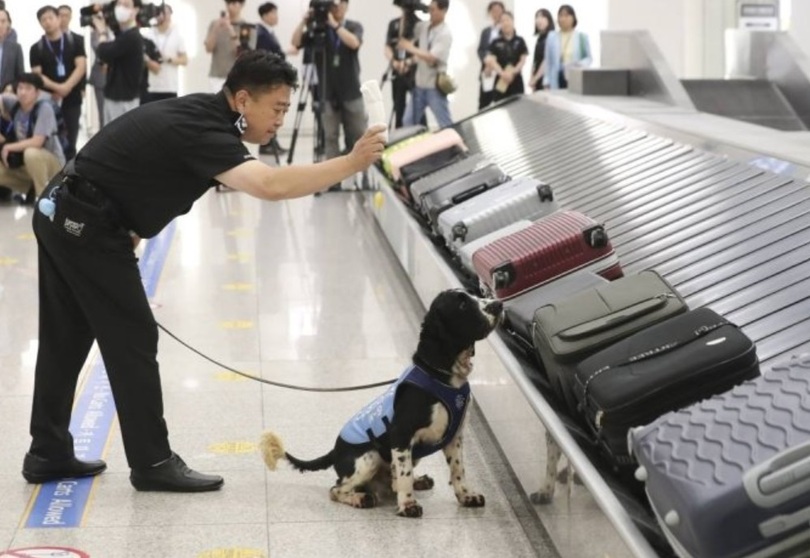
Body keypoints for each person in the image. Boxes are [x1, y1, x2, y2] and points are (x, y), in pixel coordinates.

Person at [23, 50, 386, 492]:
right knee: (132, 336)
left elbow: (142, 166)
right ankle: (152, 462)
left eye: (286, 110)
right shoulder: (207, 130)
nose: (280, 121)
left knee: (66, 336)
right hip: (84, 223)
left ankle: (48, 453)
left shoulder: (205, 115)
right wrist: (351, 162)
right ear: (243, 99)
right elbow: (270, 185)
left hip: (66, 210)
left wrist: (128, 222)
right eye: (276, 109)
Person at [291, 0, 366, 191]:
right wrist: (304, 21)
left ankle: (362, 177)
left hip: (351, 91)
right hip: (326, 92)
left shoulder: (353, 26)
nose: (336, 8)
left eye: (339, 4)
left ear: (346, 6)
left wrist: (335, 25)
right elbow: (296, 42)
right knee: (330, 137)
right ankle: (333, 182)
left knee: (358, 135)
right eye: (333, 5)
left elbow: (354, 43)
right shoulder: (318, 30)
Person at [31, 5, 88, 161]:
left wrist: (67, 87)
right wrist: (58, 88)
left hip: (72, 98)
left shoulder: (75, 41)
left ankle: (71, 172)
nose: (47, 22)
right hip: (49, 101)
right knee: (50, 140)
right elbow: (38, 75)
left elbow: (81, 67)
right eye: (43, 19)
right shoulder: (36, 48)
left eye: (50, 17)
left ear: (58, 18)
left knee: (71, 139)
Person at [0, 73, 65, 201]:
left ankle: (42, 197)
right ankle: (31, 189)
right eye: (20, 87)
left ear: (37, 92)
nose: (23, 92)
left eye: (28, 88)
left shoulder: (44, 108)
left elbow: (37, 142)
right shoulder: (16, 105)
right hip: (29, 164)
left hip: (52, 164)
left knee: (31, 153)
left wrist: (7, 147)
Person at [399, 0, 453, 129]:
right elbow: (405, 36)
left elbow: (431, 58)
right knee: (408, 122)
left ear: (443, 11)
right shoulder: (424, 26)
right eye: (429, 9)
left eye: (433, 9)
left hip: (434, 86)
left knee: (445, 124)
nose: (430, 12)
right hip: (419, 85)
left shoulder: (445, 33)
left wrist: (410, 48)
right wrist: (406, 12)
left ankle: (455, 141)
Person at [92, 0, 145, 124]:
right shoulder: (122, 34)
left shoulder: (132, 36)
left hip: (124, 100)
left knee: (121, 134)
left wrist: (102, 32)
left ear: (135, 10)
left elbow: (104, 52)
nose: (121, 8)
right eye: (119, 4)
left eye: (126, 5)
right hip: (114, 96)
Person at [255, 2, 286, 156]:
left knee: (274, 110)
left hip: (274, 76)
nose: (276, 16)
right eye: (274, 13)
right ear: (265, 15)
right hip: (267, 78)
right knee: (269, 111)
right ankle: (266, 144)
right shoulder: (261, 33)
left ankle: (273, 143)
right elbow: (266, 57)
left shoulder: (268, 32)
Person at [384, 6, 422, 129]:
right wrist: (395, 62)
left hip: (414, 73)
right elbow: (387, 47)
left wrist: (409, 62)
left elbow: (423, 51)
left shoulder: (420, 25)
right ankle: (399, 132)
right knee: (398, 107)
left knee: (418, 107)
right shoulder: (394, 24)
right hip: (397, 72)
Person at [141, 4, 188, 104]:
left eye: (166, 13)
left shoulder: (177, 34)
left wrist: (170, 59)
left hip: (170, 87)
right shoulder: (149, 34)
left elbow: (185, 60)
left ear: (171, 15)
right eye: (160, 13)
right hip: (152, 87)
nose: (163, 16)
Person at [205, 0, 252, 93]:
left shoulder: (246, 27)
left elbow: (243, 53)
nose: (230, 7)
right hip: (216, 76)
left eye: (234, 3)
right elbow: (208, 49)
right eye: (228, 3)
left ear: (241, 5)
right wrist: (216, 29)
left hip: (237, 76)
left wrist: (230, 30)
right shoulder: (215, 24)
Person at [543, 4, 591, 90]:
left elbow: (589, 58)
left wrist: (579, 64)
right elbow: (548, 61)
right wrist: (546, 81)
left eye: (566, 15)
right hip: (557, 78)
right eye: (561, 15)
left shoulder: (582, 37)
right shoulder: (552, 37)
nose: (563, 19)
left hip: (574, 77)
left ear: (573, 18)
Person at [484, 12, 528, 103]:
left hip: (516, 80)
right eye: (502, 21)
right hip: (501, 81)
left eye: (507, 20)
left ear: (513, 21)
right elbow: (491, 60)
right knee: (500, 107)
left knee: (518, 106)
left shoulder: (520, 40)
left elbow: (522, 60)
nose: (505, 23)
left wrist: (513, 72)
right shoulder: (495, 42)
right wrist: (502, 73)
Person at [476, 1, 503, 110]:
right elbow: (481, 50)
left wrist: (493, 63)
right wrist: (487, 61)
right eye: (493, 11)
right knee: (483, 104)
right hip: (486, 72)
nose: (496, 13)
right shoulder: (486, 31)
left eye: (499, 10)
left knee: (500, 103)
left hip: (501, 71)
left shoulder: (505, 30)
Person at [529, 8, 554, 92]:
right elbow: (535, 61)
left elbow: (547, 60)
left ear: (549, 20)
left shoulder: (552, 37)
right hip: (538, 79)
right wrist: (531, 77)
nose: (539, 20)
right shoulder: (539, 38)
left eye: (542, 17)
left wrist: (535, 78)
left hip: (547, 80)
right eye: (537, 17)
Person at [0, 8, 23, 92]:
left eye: (3, 21)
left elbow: (20, 76)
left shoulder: (15, 48)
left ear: (8, 24)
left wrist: (12, 86)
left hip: (7, 94)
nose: (0, 25)